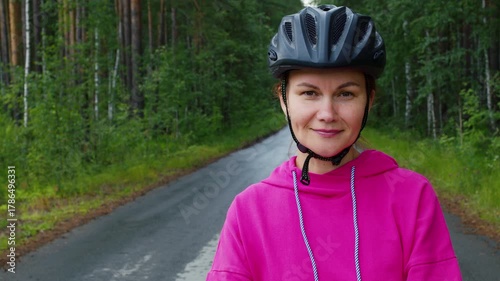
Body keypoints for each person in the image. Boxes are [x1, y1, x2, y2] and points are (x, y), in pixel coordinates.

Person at [206, 4, 462, 281]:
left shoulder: (411, 197)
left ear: (369, 101)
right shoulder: (249, 212)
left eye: (345, 94)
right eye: (309, 93)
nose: (327, 114)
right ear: (284, 101)